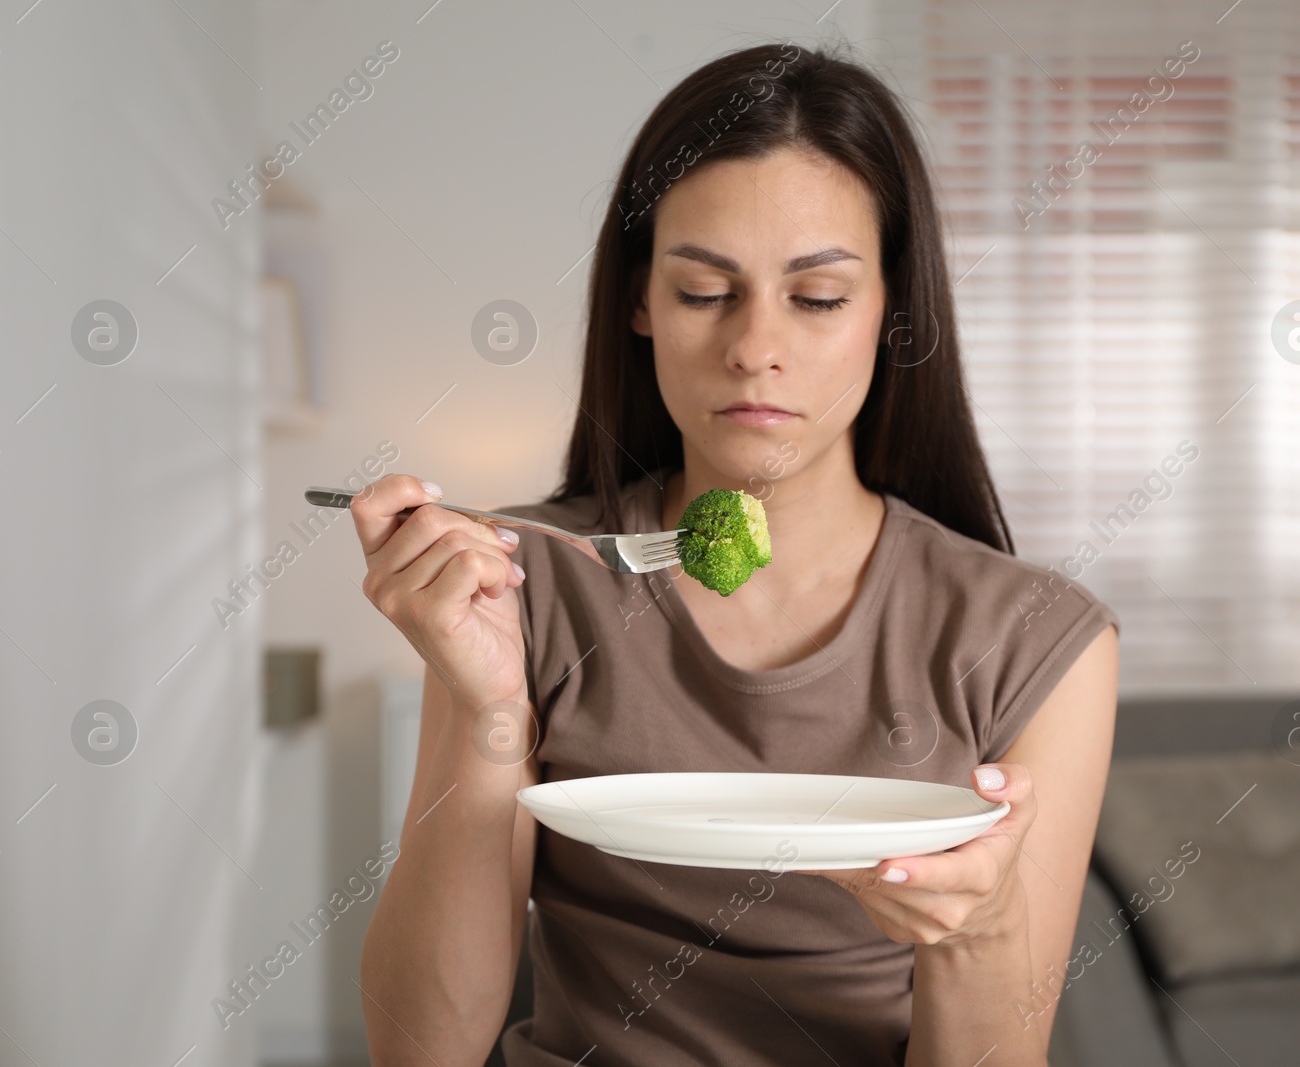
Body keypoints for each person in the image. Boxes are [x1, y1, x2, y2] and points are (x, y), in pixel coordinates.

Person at [351, 40, 1119, 1067]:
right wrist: (490, 707)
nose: (756, 345)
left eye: (816, 297)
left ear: (892, 309)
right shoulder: (526, 580)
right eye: (706, 290)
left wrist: (974, 925)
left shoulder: (1035, 640)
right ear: (640, 304)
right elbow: (422, 1050)